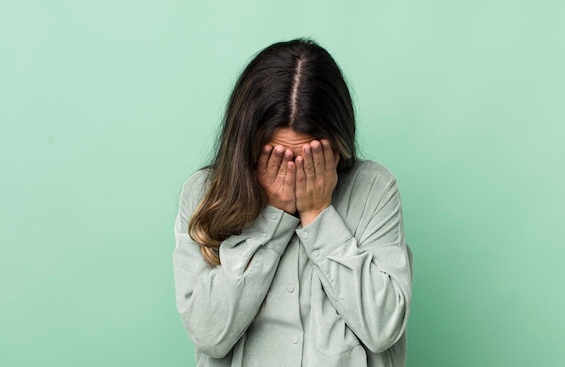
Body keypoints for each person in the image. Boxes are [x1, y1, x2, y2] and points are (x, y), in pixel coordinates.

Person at [172, 38, 413, 367]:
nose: (295, 173)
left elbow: (383, 328)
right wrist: (274, 216)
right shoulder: (204, 193)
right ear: (248, 147)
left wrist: (318, 214)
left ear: (336, 145)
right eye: (276, 157)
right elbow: (210, 333)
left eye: (310, 158)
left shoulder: (373, 188)